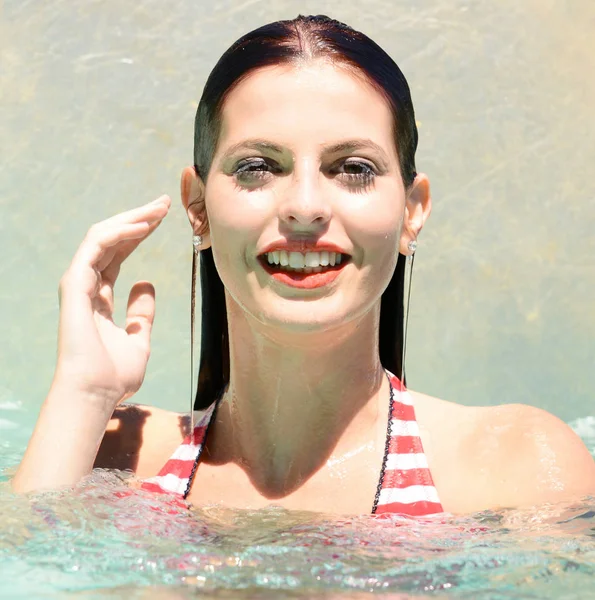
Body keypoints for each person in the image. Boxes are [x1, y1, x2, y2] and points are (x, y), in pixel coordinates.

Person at [13, 15, 595, 516]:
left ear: (413, 212)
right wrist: (83, 393)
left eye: (353, 168)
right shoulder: (117, 460)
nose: (305, 208)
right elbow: (27, 570)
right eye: (258, 167)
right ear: (199, 209)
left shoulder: (515, 470)